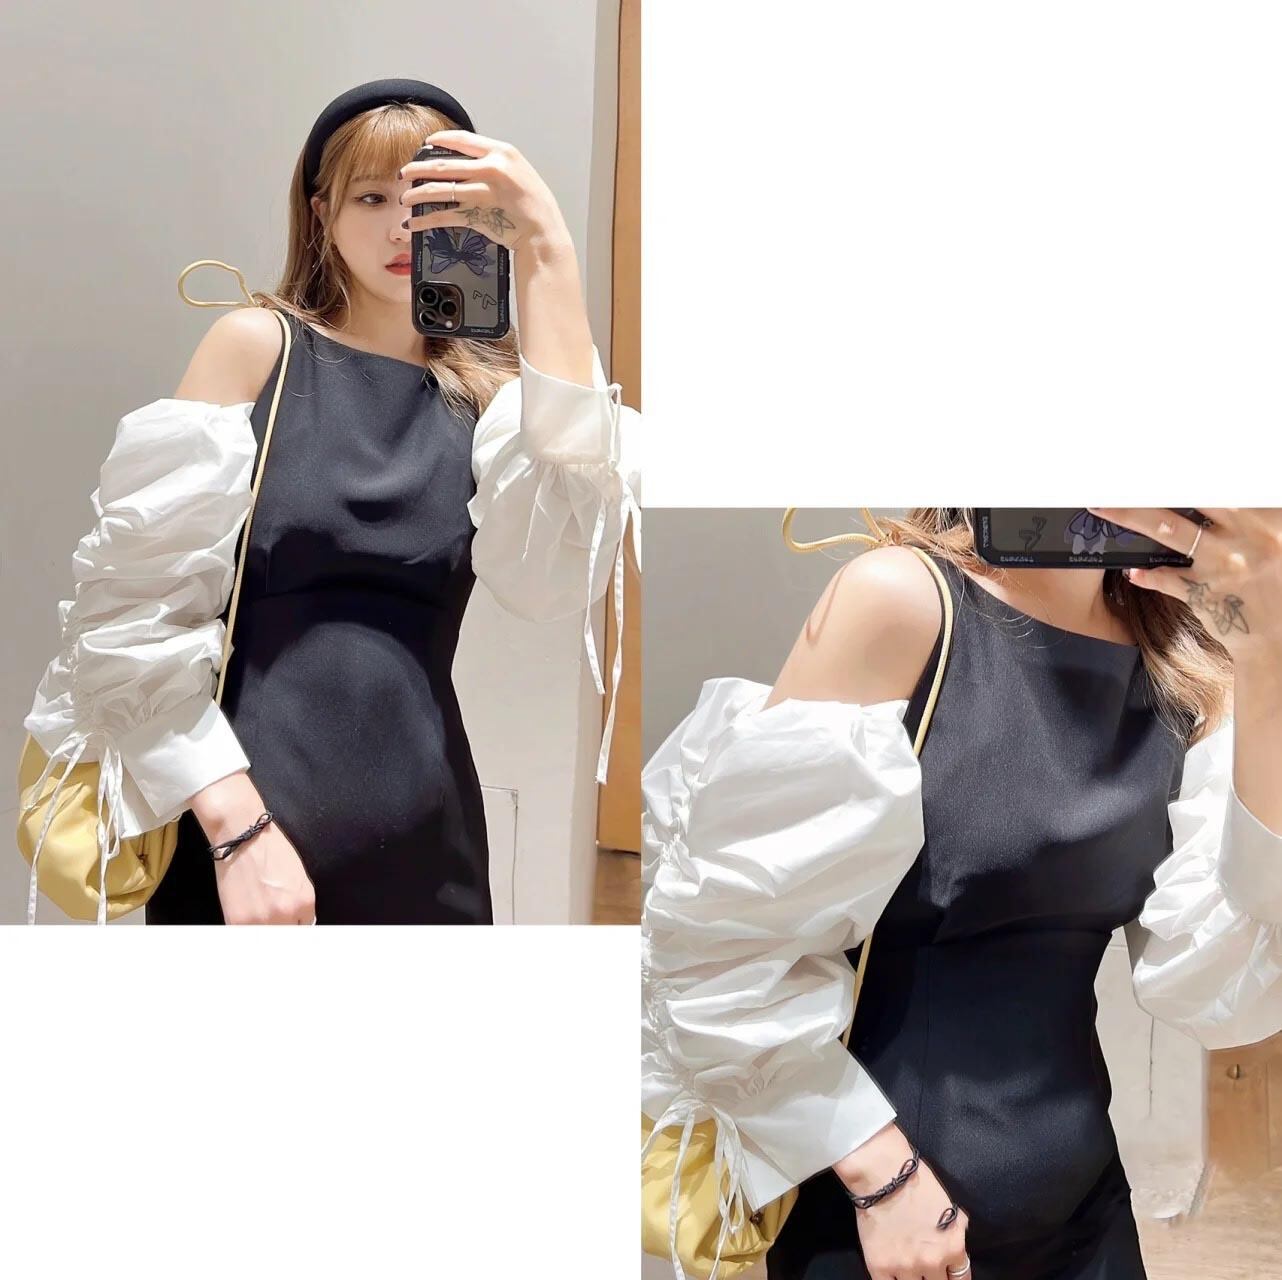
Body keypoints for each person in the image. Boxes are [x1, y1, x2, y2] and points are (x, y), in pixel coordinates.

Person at [22, 79, 640, 926]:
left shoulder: (490, 407)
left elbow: (554, 579)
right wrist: (238, 834)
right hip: (243, 837)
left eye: (431, 201)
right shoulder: (257, 350)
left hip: (433, 842)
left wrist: (546, 243)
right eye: (372, 197)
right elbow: (134, 621)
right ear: (321, 213)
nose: (401, 227)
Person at [641, 508, 1282, 1280]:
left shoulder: (1190, 655)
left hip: (1085, 1216)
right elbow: (723, 947)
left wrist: (1270, 651)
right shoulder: (901, 602)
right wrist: (883, 1180)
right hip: (888, 1221)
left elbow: (1216, 977)